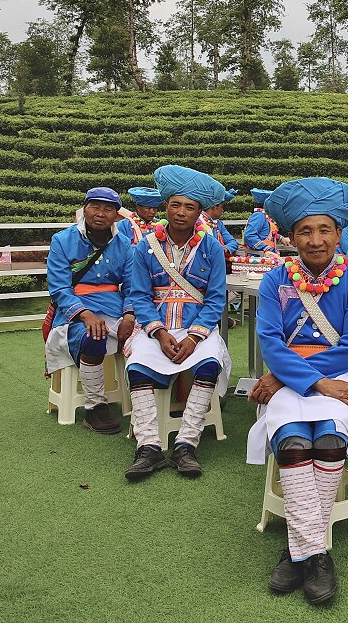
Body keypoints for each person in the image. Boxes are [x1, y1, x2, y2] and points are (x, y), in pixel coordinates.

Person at [246, 177, 348, 606]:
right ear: (291, 237)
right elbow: (270, 341)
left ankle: (297, 551)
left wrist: (293, 374)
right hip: (309, 378)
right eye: (305, 231)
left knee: (327, 441)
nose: (315, 240)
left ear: (339, 233)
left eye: (324, 230)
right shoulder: (275, 281)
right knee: (292, 443)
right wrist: (313, 380)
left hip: (344, 375)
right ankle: (316, 552)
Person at [123, 165, 231, 480]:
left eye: (190, 207)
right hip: (157, 327)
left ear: (199, 211)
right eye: (175, 205)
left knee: (210, 361)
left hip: (198, 327)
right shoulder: (146, 245)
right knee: (137, 364)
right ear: (165, 207)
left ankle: (186, 443)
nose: (181, 212)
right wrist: (158, 333)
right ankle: (149, 447)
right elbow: (140, 296)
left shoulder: (211, 246)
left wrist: (194, 338)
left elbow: (215, 300)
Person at [44, 187, 137, 435]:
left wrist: (129, 315)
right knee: (94, 335)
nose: (100, 213)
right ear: (85, 209)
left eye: (108, 209)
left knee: (147, 336)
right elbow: (59, 288)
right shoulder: (62, 240)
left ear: (116, 215)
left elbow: (132, 286)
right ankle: (94, 406)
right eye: (95, 207)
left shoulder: (125, 244)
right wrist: (85, 315)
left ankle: (143, 404)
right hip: (74, 311)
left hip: (115, 309)